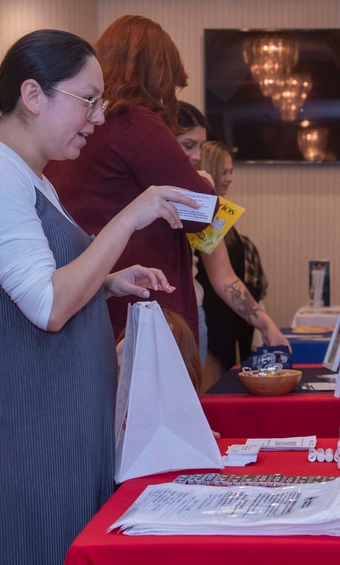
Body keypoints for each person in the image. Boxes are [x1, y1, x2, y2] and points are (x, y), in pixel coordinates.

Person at [0, 29, 196, 565]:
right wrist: (132, 215)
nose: (98, 119)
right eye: (88, 100)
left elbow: (34, 293)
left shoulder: (24, 174)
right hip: (17, 433)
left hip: (47, 426)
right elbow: (45, 308)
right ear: (32, 95)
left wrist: (108, 284)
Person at [45, 15, 214, 342]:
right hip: (140, 296)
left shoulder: (79, 125)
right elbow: (201, 210)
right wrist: (205, 181)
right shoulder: (135, 123)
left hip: (88, 287)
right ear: (158, 75)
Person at [197, 140, 282, 387]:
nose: (230, 178)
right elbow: (222, 277)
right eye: (224, 171)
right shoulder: (201, 211)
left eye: (231, 171)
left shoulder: (219, 213)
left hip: (226, 325)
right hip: (209, 325)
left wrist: (264, 322)